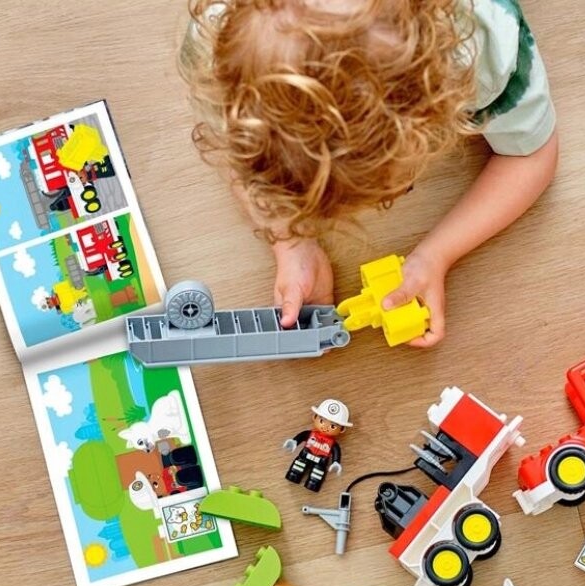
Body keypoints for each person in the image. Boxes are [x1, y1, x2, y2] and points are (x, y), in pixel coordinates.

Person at [181, 0, 558, 346]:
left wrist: (437, 254)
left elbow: (530, 156)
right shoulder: (218, 44)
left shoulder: (486, 43)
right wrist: (291, 243)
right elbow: (240, 154)